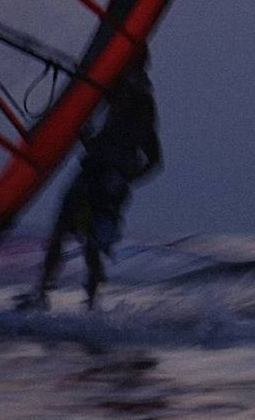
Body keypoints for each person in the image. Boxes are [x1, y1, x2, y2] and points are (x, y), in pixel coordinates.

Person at [15, 54, 162, 309]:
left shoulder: (140, 100)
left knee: (89, 242)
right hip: (94, 172)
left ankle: (89, 304)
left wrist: (124, 178)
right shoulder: (118, 93)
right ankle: (44, 294)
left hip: (109, 180)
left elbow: (154, 160)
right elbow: (100, 132)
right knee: (64, 231)